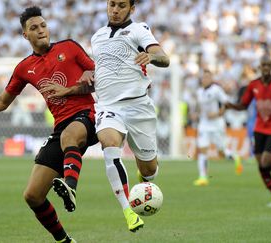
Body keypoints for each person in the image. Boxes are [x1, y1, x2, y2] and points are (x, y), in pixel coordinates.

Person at [0, 6, 97, 243]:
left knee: (70, 137)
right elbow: (2, 101)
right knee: (33, 195)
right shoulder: (24, 68)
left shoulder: (69, 48)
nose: (41, 30)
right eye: (34, 28)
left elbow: (96, 77)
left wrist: (73, 87)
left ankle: (70, 185)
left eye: (43, 25)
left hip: (87, 115)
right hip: (61, 127)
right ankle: (64, 240)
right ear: (25, 35)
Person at [88, 0, 169, 232]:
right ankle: (128, 212)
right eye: (112, 4)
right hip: (108, 107)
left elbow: (164, 57)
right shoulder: (97, 37)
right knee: (109, 143)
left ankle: (145, 177)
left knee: (149, 169)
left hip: (138, 107)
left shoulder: (139, 30)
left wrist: (152, 57)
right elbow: (104, 69)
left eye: (121, 5)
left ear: (131, 9)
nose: (115, 9)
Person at [226, 54, 271, 208]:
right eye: (263, 65)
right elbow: (244, 105)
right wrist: (230, 105)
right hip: (259, 128)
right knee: (261, 165)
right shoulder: (253, 85)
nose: (265, 68)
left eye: (268, 65)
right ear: (260, 67)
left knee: (266, 162)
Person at [193, 70, 243, 186]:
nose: (205, 79)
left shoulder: (216, 90)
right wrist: (196, 113)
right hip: (204, 124)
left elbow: (226, 104)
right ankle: (203, 177)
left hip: (216, 125)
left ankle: (235, 157)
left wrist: (217, 114)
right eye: (203, 77)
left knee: (221, 152)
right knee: (202, 150)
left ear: (211, 79)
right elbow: (200, 107)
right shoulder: (199, 91)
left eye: (207, 77)